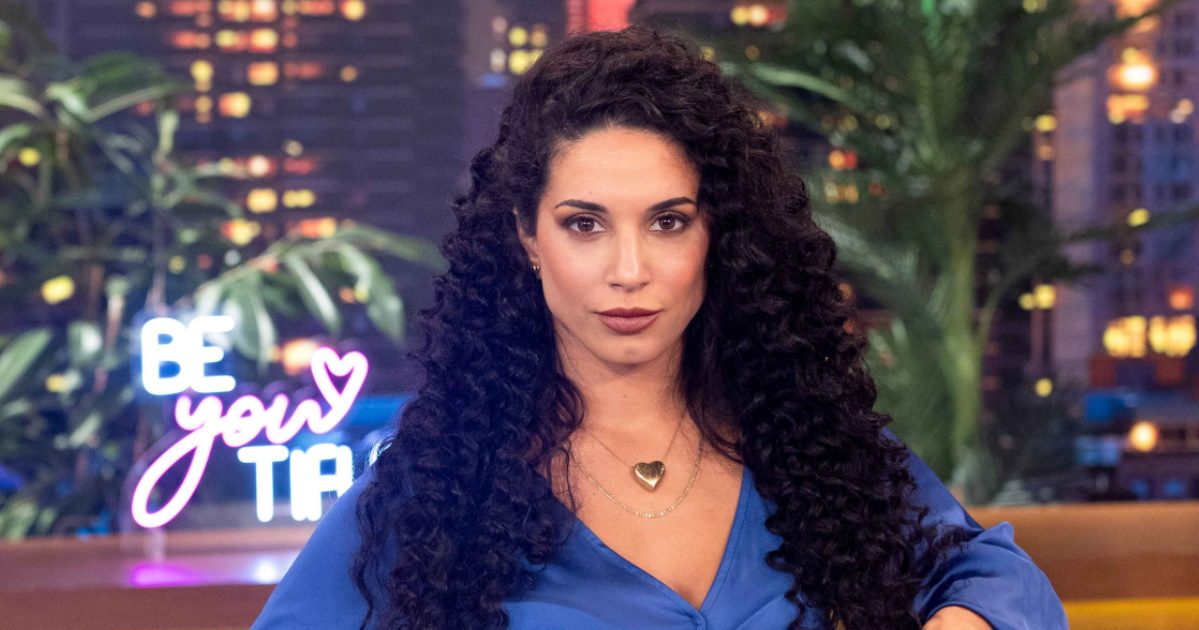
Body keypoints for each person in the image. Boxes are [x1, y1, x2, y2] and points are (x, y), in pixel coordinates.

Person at [252, 26, 1067, 630]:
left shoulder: (808, 448)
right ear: (527, 237)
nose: (630, 269)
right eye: (584, 225)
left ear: (717, 234)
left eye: (668, 222)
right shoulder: (439, 486)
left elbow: (997, 574)